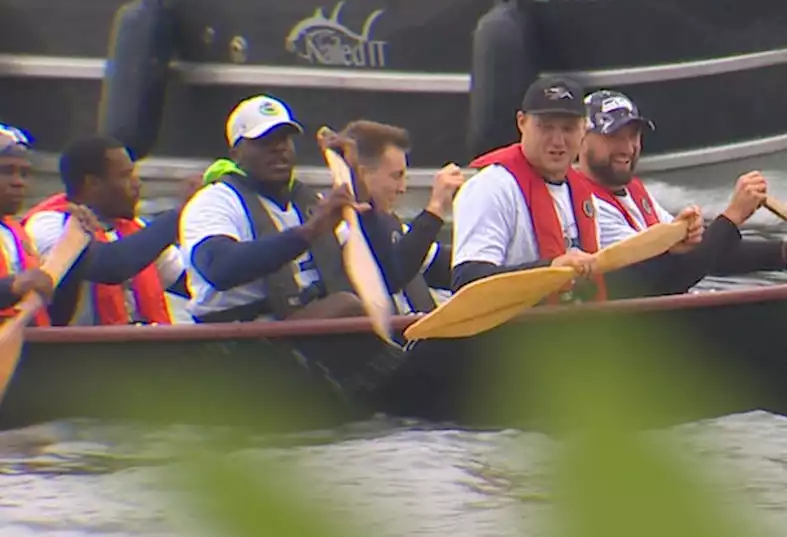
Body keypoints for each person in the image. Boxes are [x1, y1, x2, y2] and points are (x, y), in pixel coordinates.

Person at [451, 76, 699, 302]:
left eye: (568, 129)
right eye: (546, 127)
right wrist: (551, 269)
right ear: (522, 123)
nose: (558, 141)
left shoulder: (584, 194)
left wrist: (672, 244)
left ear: (583, 130)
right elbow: (467, 281)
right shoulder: (490, 188)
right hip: (513, 336)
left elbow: (624, 267)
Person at [576, 89, 787, 296]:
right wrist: (733, 215)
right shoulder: (586, 204)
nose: (627, 148)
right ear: (582, 140)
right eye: (614, 137)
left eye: (633, 136)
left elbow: (703, 253)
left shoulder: (635, 191)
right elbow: (669, 277)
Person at [178, 94, 370, 323]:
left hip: (306, 325)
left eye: (284, 139)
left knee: (367, 307)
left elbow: (383, 269)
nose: (279, 148)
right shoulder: (213, 202)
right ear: (236, 154)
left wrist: (357, 181)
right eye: (264, 141)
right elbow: (219, 268)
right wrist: (311, 230)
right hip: (242, 338)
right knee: (347, 307)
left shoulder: (308, 201)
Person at [22, 135, 191, 326]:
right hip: (76, 350)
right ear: (92, 183)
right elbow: (109, 266)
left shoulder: (132, 228)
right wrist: (182, 214)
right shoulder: (47, 224)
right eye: (125, 175)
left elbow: (187, 282)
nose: (137, 184)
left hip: (136, 348)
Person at [330, 120, 465, 313]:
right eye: (396, 176)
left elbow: (439, 264)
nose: (403, 188)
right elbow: (388, 277)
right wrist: (435, 209)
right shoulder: (339, 228)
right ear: (363, 175)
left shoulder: (388, 222)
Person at [0, 124, 59, 322]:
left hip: (27, 344)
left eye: (24, 173)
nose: (19, 182)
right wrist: (13, 287)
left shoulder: (15, 232)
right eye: (6, 171)